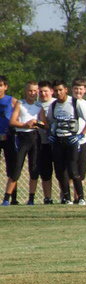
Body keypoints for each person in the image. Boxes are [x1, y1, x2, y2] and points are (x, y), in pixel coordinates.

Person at [40, 79, 86, 205]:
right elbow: (50, 122)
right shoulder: (54, 105)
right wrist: (50, 134)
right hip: (58, 141)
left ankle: (81, 197)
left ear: (66, 90)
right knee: (60, 171)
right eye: (56, 90)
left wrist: (81, 135)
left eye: (61, 90)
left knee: (73, 170)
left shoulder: (74, 102)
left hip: (71, 140)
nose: (59, 93)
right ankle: (66, 197)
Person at [6, 81, 41, 205]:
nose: (32, 93)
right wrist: (25, 125)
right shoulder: (20, 103)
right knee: (16, 169)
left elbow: (45, 123)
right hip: (22, 137)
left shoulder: (39, 106)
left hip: (34, 137)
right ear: (26, 91)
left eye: (35, 91)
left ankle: (31, 199)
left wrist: (38, 123)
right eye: (30, 90)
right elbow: (12, 121)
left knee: (34, 169)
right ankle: (6, 198)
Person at [35, 80, 56, 204]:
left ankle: (65, 196)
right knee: (45, 172)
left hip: (57, 142)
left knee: (61, 170)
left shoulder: (56, 103)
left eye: (46, 91)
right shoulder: (36, 105)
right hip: (42, 143)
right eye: (41, 91)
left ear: (51, 91)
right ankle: (47, 197)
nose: (43, 94)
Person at [0, 75, 18, 205]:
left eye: (1, 85)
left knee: (12, 167)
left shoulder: (12, 101)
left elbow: (21, 114)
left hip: (9, 138)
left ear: (5, 87)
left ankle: (13, 198)